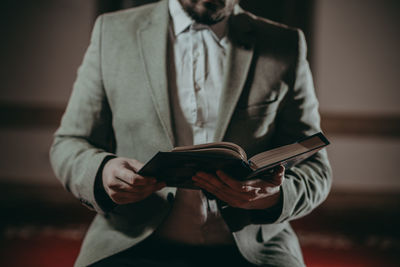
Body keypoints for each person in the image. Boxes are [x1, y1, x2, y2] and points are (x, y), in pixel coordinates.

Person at [50, 0, 332, 266]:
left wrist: (272, 197)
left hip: (253, 249)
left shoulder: (284, 43)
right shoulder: (112, 33)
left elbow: (315, 166)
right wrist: (103, 172)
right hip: (131, 244)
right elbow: (69, 143)